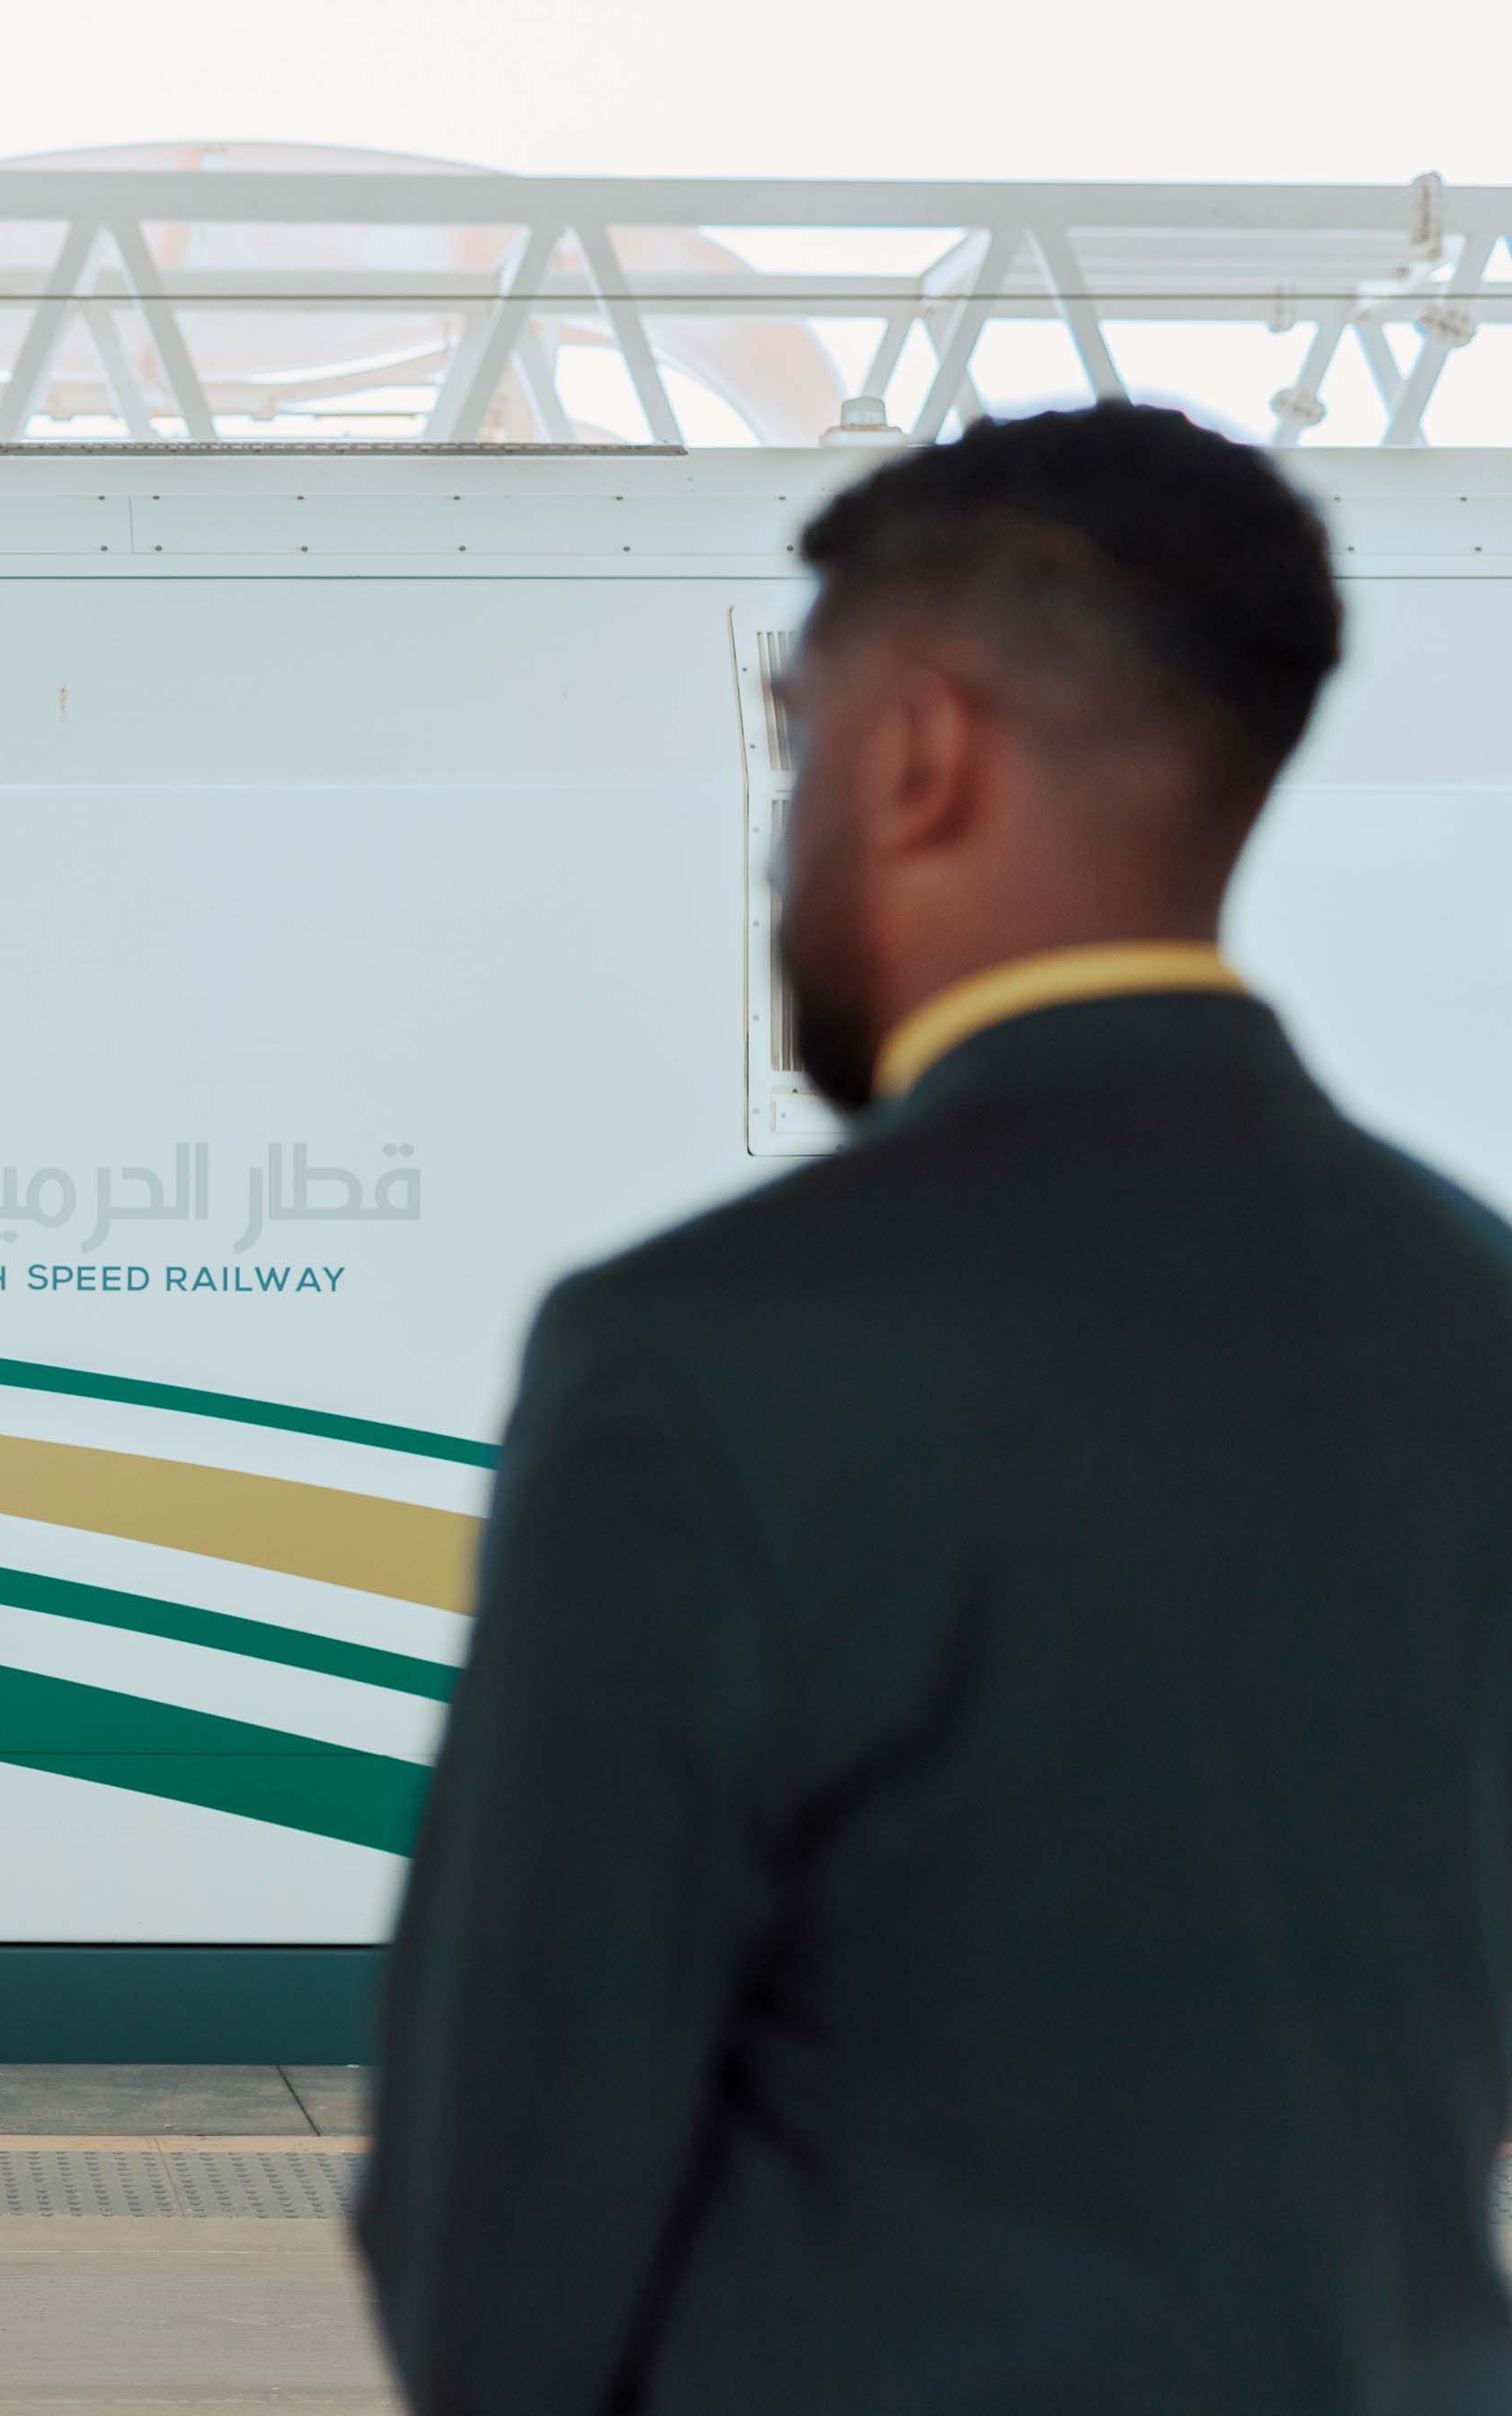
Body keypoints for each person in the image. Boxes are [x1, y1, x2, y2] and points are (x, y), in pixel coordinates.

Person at [360, 404, 1512, 2412]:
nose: (784, 817)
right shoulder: (1469, 1310)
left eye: (795, 737)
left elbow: (497, 2227)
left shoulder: (697, 1351)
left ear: (917, 753)